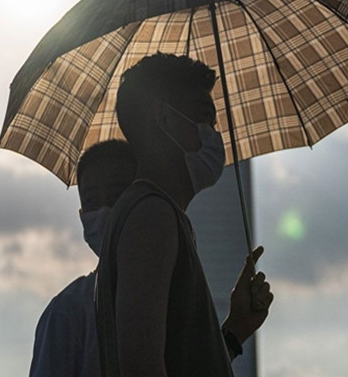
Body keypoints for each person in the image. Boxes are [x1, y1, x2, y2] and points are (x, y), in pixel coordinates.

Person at [95, 53, 274, 377]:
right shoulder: (151, 215)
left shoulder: (160, 215)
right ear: (164, 119)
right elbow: (141, 366)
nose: (213, 134)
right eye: (204, 118)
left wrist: (234, 331)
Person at [29, 140, 137, 377]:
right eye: (91, 202)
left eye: (117, 196)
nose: (104, 210)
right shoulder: (69, 311)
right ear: (82, 215)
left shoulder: (177, 298)